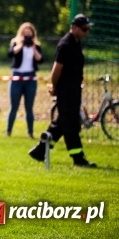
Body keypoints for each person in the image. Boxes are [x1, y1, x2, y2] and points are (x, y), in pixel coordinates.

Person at [29, 14, 97, 168]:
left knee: (62, 123)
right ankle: (78, 158)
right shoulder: (65, 44)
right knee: (70, 124)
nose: (87, 32)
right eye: (84, 29)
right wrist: (54, 86)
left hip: (73, 91)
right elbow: (56, 69)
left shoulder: (76, 42)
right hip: (66, 91)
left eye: (88, 29)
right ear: (74, 28)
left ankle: (40, 150)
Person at [6, 22, 43, 138]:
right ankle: (8, 131)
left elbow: (40, 59)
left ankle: (30, 132)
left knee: (29, 107)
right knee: (14, 106)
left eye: (29, 34)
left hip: (30, 78)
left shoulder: (36, 46)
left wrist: (32, 47)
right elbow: (11, 53)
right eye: (25, 34)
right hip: (17, 77)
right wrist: (21, 44)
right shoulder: (15, 43)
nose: (27, 37)